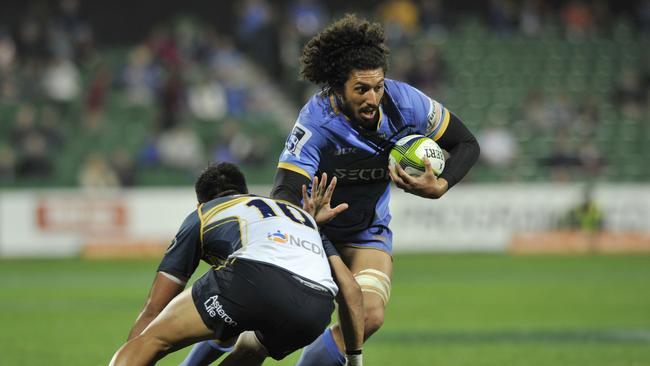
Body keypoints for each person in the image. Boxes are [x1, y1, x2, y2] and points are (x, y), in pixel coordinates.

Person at [270, 14, 480, 366]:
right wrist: (306, 218)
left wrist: (440, 185)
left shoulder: (407, 103)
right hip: (315, 232)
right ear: (338, 88)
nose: (373, 98)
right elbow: (284, 191)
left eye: (378, 86)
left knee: (368, 317)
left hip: (367, 231)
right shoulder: (316, 120)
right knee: (274, 333)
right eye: (361, 89)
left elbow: (467, 144)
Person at [111, 162, 365, 366]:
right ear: (245, 192)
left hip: (253, 279)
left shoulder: (205, 212)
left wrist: (136, 346)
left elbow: (155, 307)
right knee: (250, 351)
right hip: (316, 309)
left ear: (201, 203)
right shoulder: (303, 219)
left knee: (155, 338)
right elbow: (351, 290)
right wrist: (354, 358)